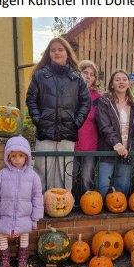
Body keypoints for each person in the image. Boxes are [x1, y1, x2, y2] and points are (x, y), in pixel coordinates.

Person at [27, 36, 91, 193]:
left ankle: (63, 205)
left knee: (64, 172)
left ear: (67, 53)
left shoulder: (77, 78)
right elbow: (31, 100)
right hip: (45, 132)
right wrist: (39, 120)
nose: (56, 53)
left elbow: (85, 103)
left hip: (68, 132)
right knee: (42, 170)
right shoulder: (40, 75)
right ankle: (40, 205)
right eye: (53, 50)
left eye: (60, 50)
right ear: (48, 54)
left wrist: (76, 122)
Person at [0, 135, 43, 267]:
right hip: (5, 214)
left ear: (27, 157)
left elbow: (37, 196)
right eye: (14, 156)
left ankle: (23, 257)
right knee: (2, 234)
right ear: (8, 157)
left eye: (21, 156)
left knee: (24, 234)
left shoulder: (33, 176)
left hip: (24, 214)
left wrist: (35, 217)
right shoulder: (1, 175)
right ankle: (4, 258)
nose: (17, 159)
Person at [95, 70, 134, 198]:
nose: (121, 82)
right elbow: (105, 126)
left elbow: (133, 129)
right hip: (108, 149)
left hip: (126, 151)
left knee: (122, 187)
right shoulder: (104, 102)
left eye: (124, 79)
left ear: (128, 83)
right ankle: (100, 215)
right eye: (117, 80)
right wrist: (116, 143)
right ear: (112, 84)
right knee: (103, 185)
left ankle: (119, 215)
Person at [73, 59, 100, 195]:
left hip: (90, 146)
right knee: (70, 177)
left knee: (86, 179)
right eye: (85, 72)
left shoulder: (98, 99)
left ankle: (86, 206)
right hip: (71, 144)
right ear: (78, 73)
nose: (88, 76)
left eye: (92, 74)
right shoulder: (70, 94)